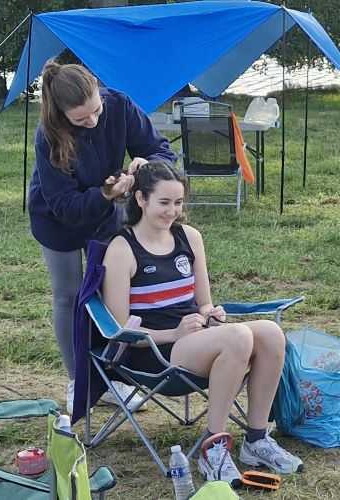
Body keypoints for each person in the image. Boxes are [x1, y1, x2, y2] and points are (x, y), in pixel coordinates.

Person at [102, 161, 303, 486]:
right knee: (237, 336)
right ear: (140, 199)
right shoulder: (122, 249)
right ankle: (214, 448)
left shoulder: (189, 237)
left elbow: (203, 301)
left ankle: (256, 440)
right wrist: (174, 332)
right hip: (150, 351)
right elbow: (120, 329)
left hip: (194, 339)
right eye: (164, 203)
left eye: (179, 203)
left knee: (271, 333)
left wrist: (211, 313)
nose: (172, 211)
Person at [28, 61, 177, 414]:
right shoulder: (48, 134)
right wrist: (106, 195)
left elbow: (162, 150)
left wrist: (146, 163)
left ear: (99, 90)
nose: (92, 121)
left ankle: (115, 380)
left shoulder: (119, 105)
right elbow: (65, 205)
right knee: (69, 295)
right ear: (62, 113)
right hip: (57, 219)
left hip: (106, 215)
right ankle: (79, 381)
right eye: (81, 119)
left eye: (96, 111)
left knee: (113, 294)